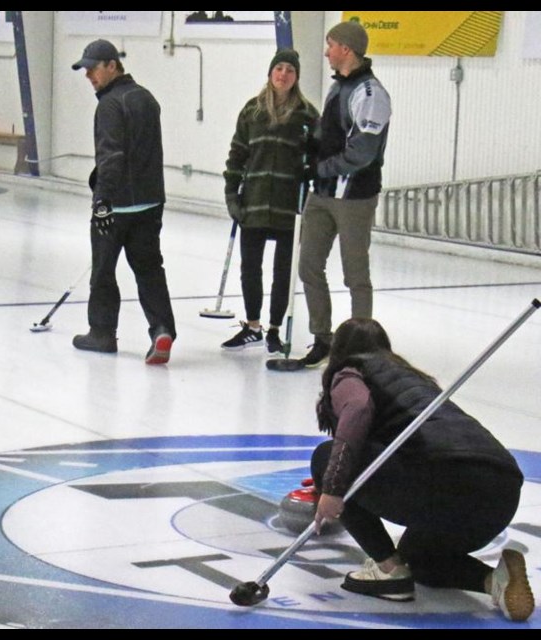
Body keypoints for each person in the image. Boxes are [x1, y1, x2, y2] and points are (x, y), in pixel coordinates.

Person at [310, 317, 534, 622]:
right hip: (501, 492)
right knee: (419, 557)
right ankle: (496, 581)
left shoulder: (350, 371)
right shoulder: (413, 378)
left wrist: (333, 487)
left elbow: (358, 408)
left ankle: (388, 570)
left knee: (326, 458)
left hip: (444, 478)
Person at [70, 39, 176, 365]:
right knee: (148, 267)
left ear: (112, 66)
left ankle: (101, 332)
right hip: (149, 202)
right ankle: (162, 329)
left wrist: (102, 200)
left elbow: (112, 156)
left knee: (103, 271)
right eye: (85, 69)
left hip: (116, 206)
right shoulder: (146, 98)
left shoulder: (110, 105)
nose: (89, 75)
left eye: (93, 68)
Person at [296, 21, 391, 367]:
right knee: (309, 266)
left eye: (331, 44)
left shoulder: (371, 95)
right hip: (321, 196)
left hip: (354, 198)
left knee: (355, 274)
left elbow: (361, 153)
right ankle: (323, 337)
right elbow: (332, 134)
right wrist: (310, 144)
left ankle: (362, 346)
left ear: (346, 50)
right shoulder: (338, 88)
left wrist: (318, 168)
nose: (326, 51)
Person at [221, 49, 319, 353]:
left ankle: (275, 327)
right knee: (250, 267)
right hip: (255, 203)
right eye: (279, 68)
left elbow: (318, 157)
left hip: (290, 207)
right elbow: (237, 154)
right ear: (270, 72)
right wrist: (231, 194)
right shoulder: (252, 111)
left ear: (297, 77)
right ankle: (253, 325)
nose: (283, 75)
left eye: (290, 70)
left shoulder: (307, 114)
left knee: (283, 272)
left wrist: (311, 175)